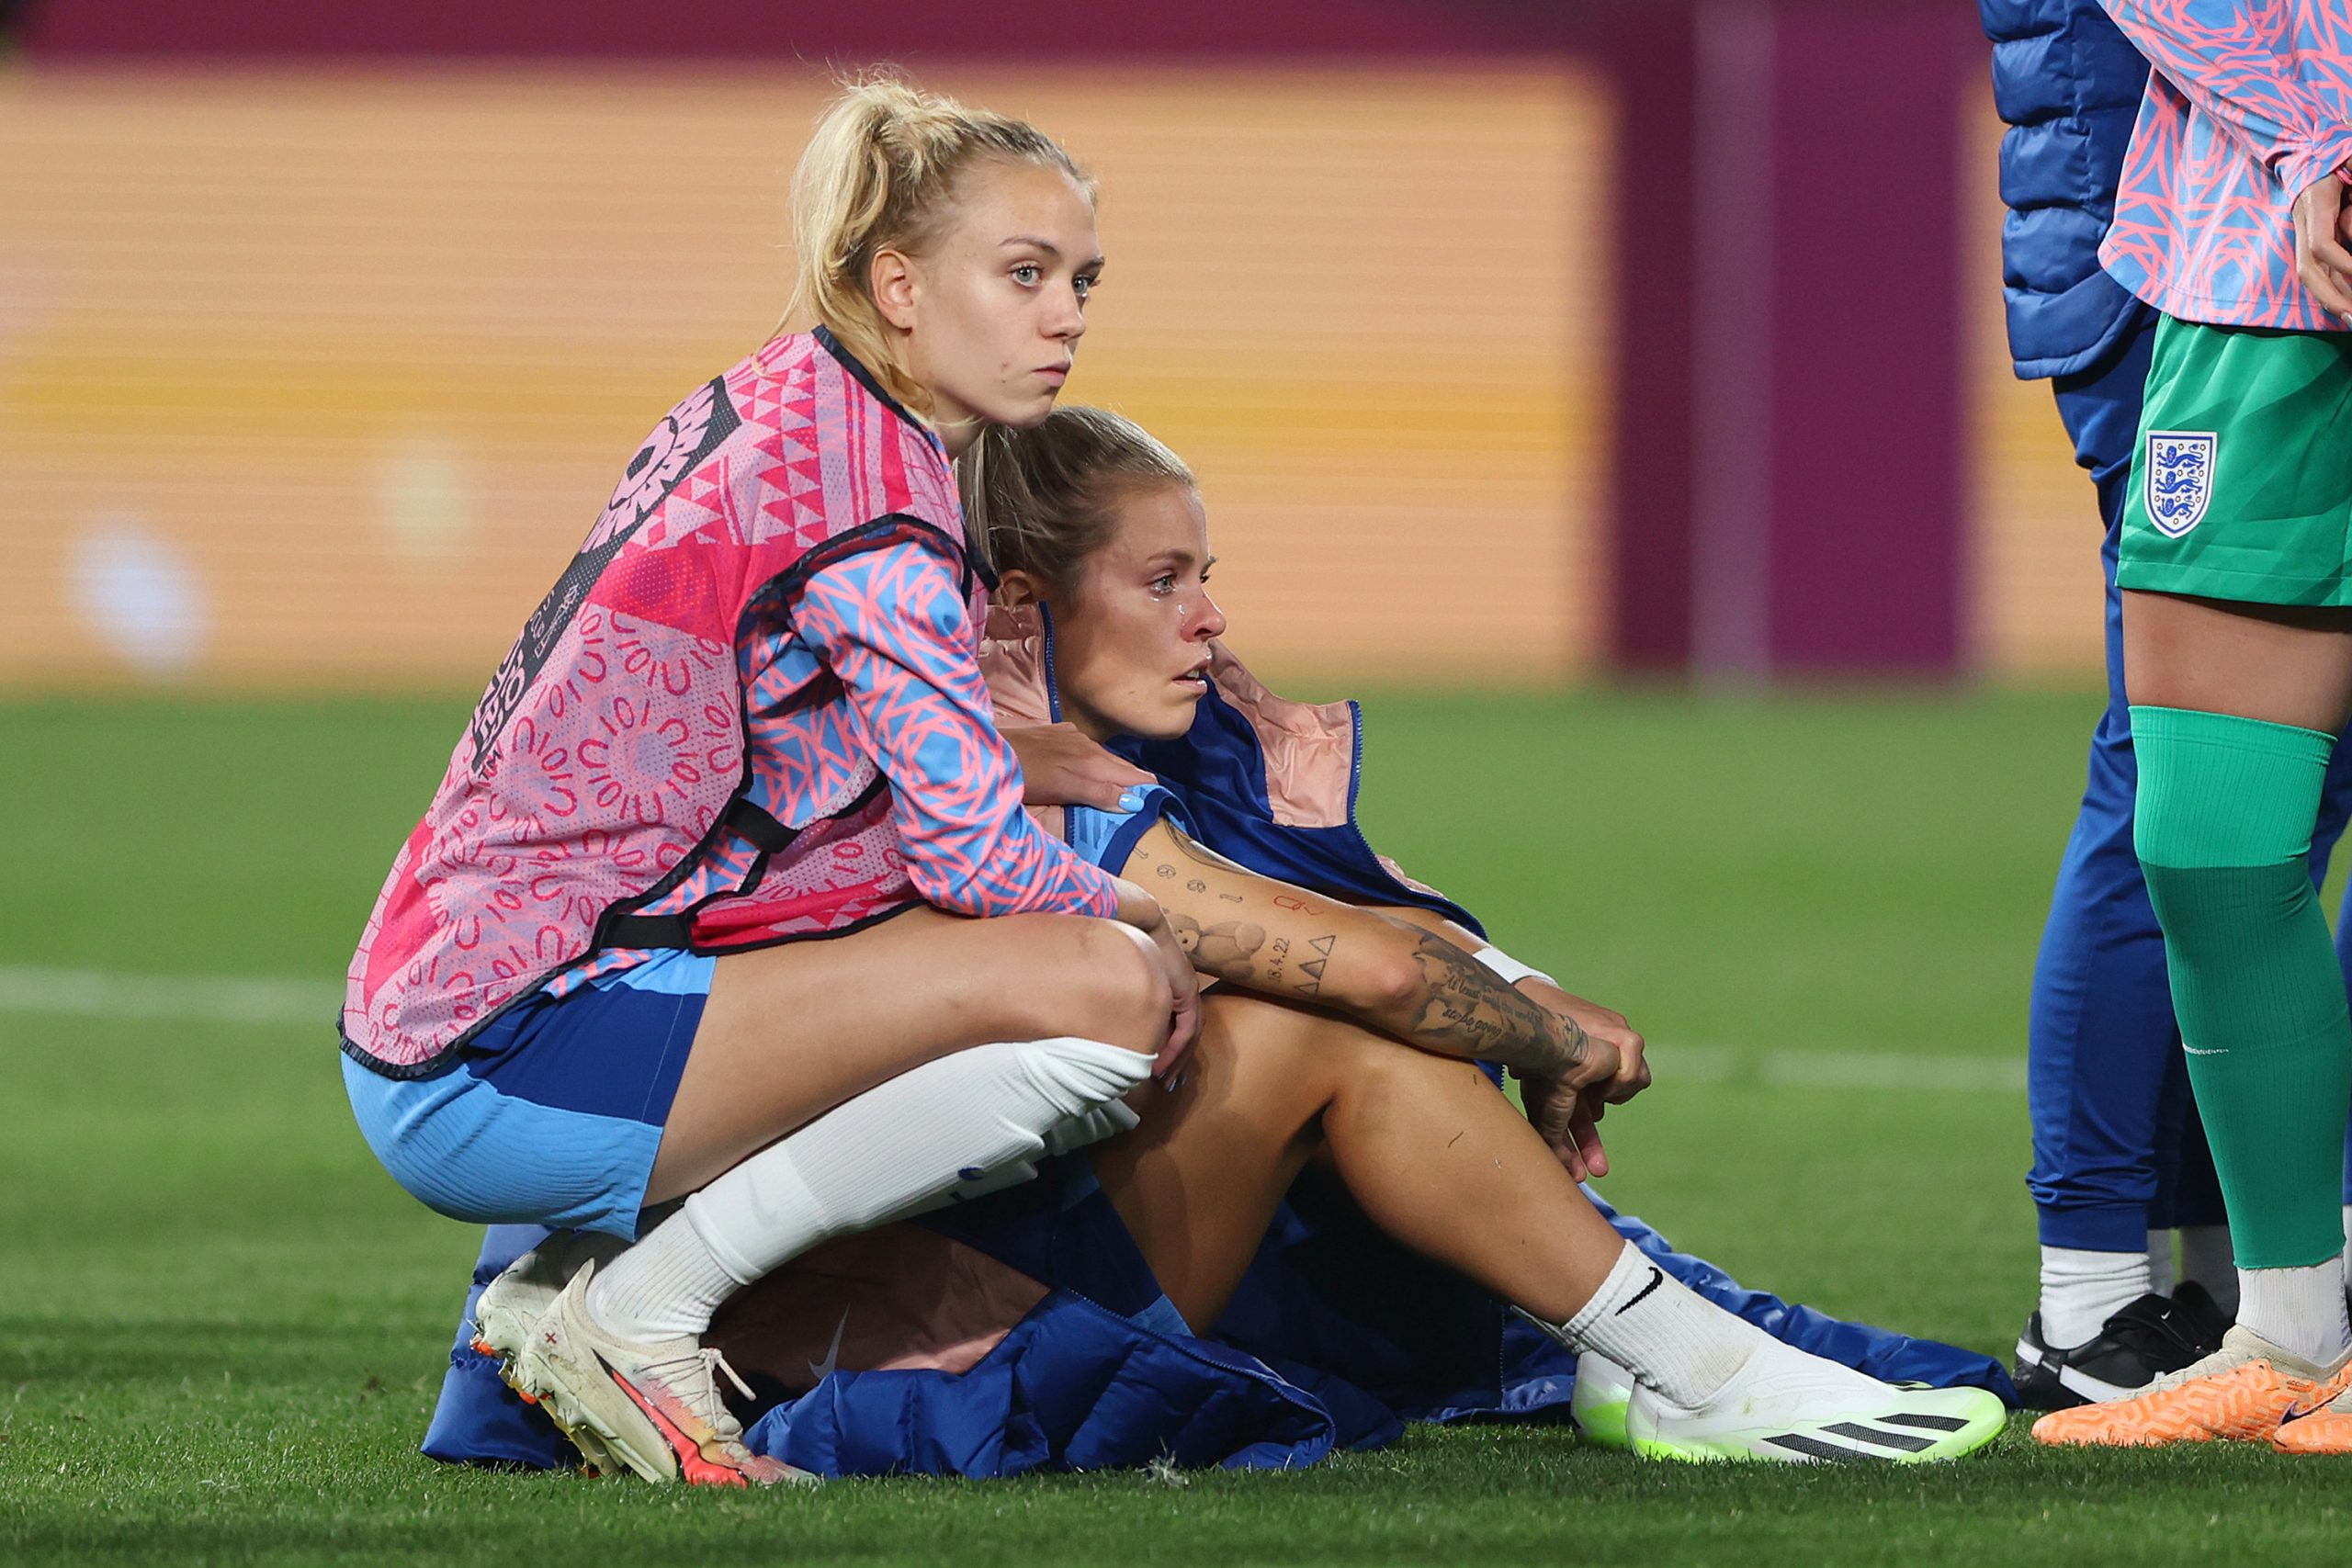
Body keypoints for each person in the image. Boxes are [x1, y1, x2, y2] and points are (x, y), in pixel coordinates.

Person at [424, 409, 2012, 1475]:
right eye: (1165, 579)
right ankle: (1698, 1367)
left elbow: (1382, 919)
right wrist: (1549, 1033)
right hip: (851, 1323)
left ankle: (1689, 1358)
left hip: (918, 1254)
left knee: (1356, 1030)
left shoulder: (1090, 747)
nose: (1210, 618)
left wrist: (1513, 989)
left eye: (1208, 577)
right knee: (1328, 1031)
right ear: (1024, 607)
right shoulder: (1009, 778)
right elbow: (1371, 968)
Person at [338, 76, 1207, 1488]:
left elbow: (782, 772)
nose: (1066, 318)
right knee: (1107, 988)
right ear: (900, 286)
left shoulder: (787, 394)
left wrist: (1003, 767)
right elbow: (974, 862)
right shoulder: (878, 506)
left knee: (1000, 946)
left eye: (1082, 281)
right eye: (1026, 274)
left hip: (447, 994)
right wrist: (1160, 921)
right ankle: (644, 1313)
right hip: (512, 1044)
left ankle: (559, 1287)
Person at [1975, 0, 2352, 1410]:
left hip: (2261, 203)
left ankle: (2253, 1291)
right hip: (2235, 246)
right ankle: (2229, 1308)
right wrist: (2322, 138)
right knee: (2206, 819)